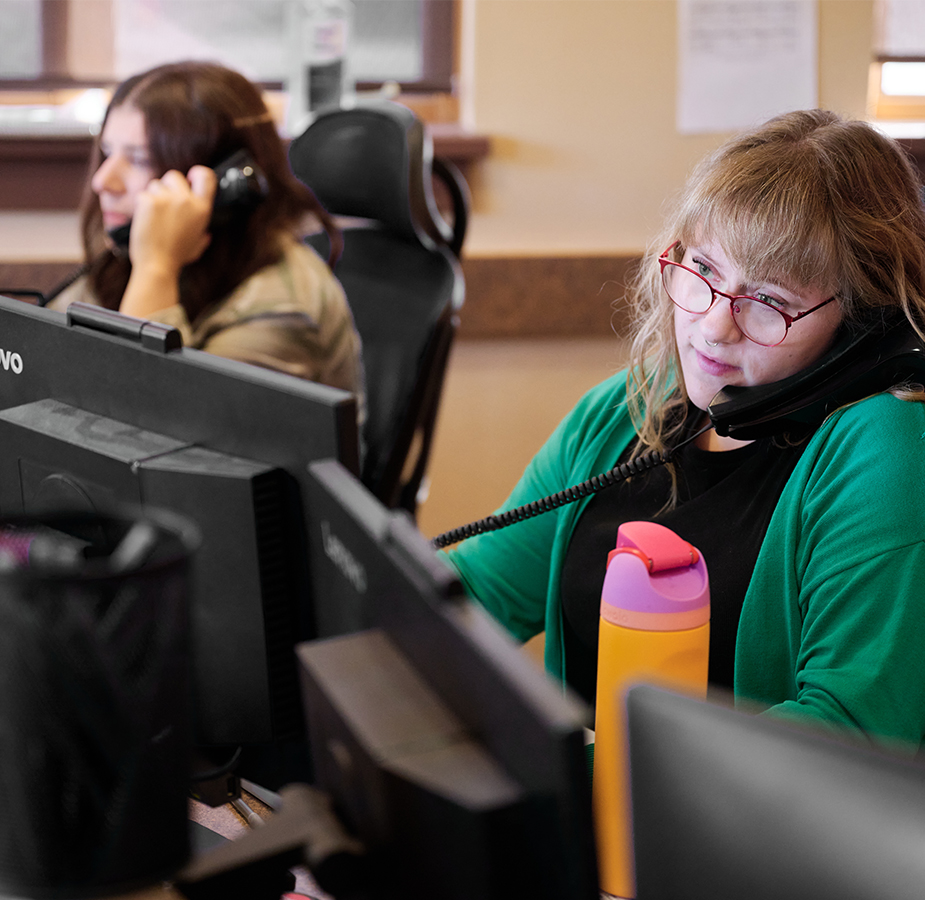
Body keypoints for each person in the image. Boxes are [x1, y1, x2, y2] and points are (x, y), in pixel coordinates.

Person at [444, 109, 925, 754]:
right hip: (575, 822)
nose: (714, 328)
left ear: (867, 323)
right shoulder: (623, 411)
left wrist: (575, 766)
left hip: (733, 846)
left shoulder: (884, 454)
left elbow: (850, 733)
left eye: (769, 302)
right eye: (702, 271)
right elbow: (478, 590)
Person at [49, 61, 364, 404]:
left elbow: (148, 426)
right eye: (108, 153)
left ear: (226, 181)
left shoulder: (279, 306)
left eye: (140, 159)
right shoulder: (133, 253)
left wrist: (155, 269)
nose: (102, 181)